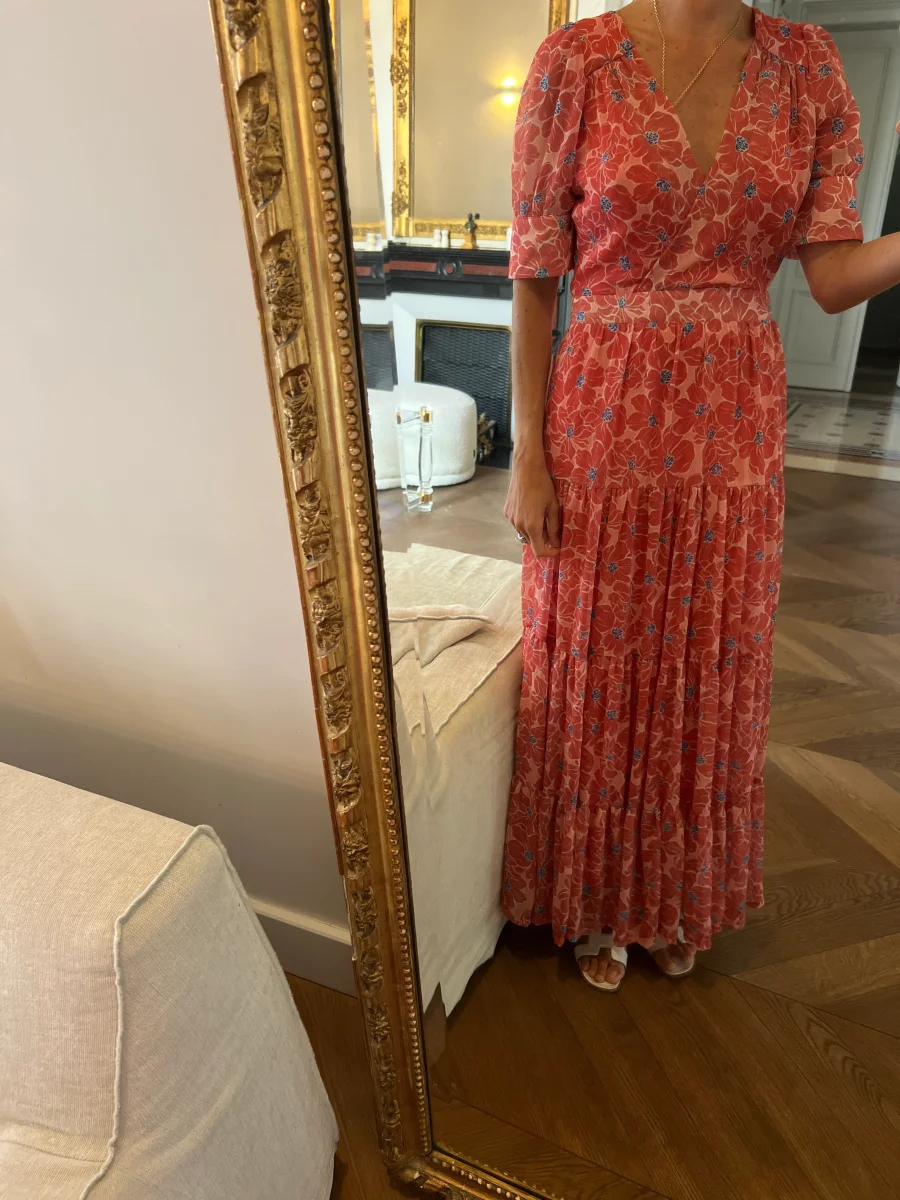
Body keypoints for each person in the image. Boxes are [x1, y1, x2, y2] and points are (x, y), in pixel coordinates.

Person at [501, 0, 900, 992]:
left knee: (707, 658)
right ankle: (597, 894)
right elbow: (536, 274)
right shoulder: (575, 61)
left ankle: (673, 894)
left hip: (734, 423)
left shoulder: (809, 67)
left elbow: (833, 277)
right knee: (598, 655)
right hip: (603, 415)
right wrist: (527, 452)